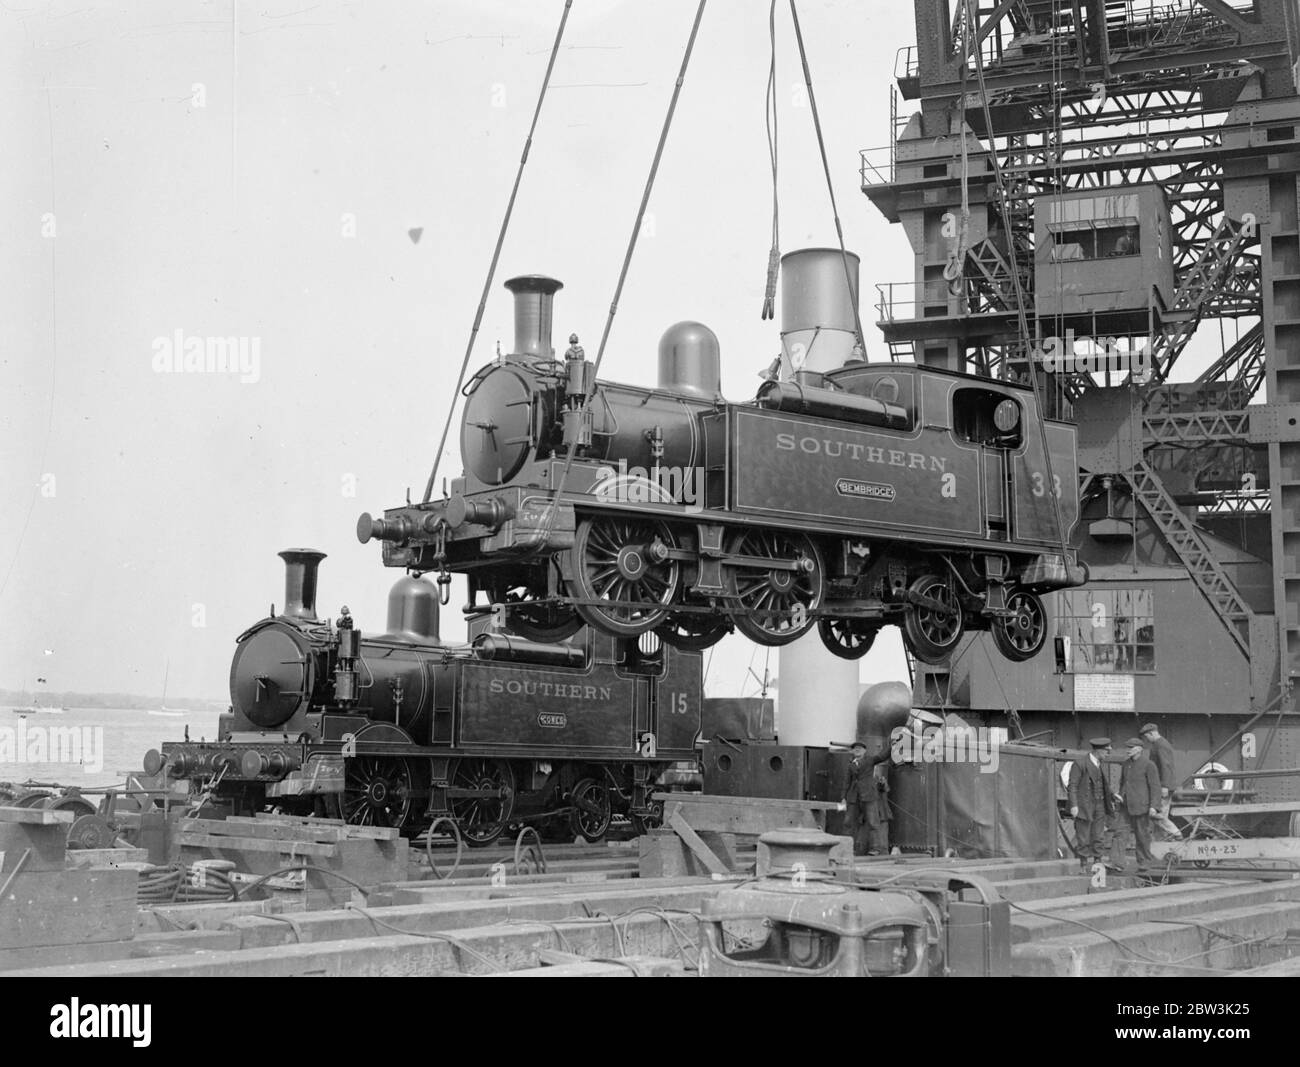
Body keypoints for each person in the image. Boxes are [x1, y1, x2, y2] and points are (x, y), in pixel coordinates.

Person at [1067, 737, 1115, 871]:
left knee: (1099, 835)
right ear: (1098, 750)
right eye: (1106, 751)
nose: (1107, 754)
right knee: (1083, 836)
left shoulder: (1099, 763)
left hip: (1099, 804)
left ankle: (1097, 862)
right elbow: (1073, 786)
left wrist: (1112, 795)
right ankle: (1083, 864)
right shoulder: (1080, 763)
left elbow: (1103, 783)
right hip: (1084, 805)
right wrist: (1074, 805)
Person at [1117, 736, 1162, 871]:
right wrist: (1120, 796)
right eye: (1127, 748)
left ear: (1139, 749)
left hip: (1142, 807)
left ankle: (1145, 863)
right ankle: (1116, 863)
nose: (1127, 750)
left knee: (1142, 836)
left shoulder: (1149, 765)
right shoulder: (1125, 764)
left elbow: (1155, 787)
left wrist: (1154, 806)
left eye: (1130, 748)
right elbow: (1123, 783)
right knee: (1119, 833)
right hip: (1125, 805)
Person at [843, 740, 890, 856]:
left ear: (865, 751)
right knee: (848, 823)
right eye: (855, 748)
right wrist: (843, 797)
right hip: (853, 797)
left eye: (860, 748)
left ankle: (875, 849)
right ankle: (848, 848)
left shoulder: (870, 760)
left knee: (873, 822)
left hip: (869, 796)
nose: (857, 750)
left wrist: (892, 746)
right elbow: (846, 782)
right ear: (852, 751)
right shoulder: (851, 765)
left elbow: (882, 756)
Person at [1140, 722, 1181, 839]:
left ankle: (1176, 833)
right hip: (1161, 785)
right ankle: (1161, 843)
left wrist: (1165, 786)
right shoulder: (1159, 744)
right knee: (1161, 816)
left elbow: (1165, 766)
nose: (1146, 740)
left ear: (1152, 733)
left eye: (1146, 737)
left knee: (1157, 815)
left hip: (1163, 786)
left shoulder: (1160, 745)